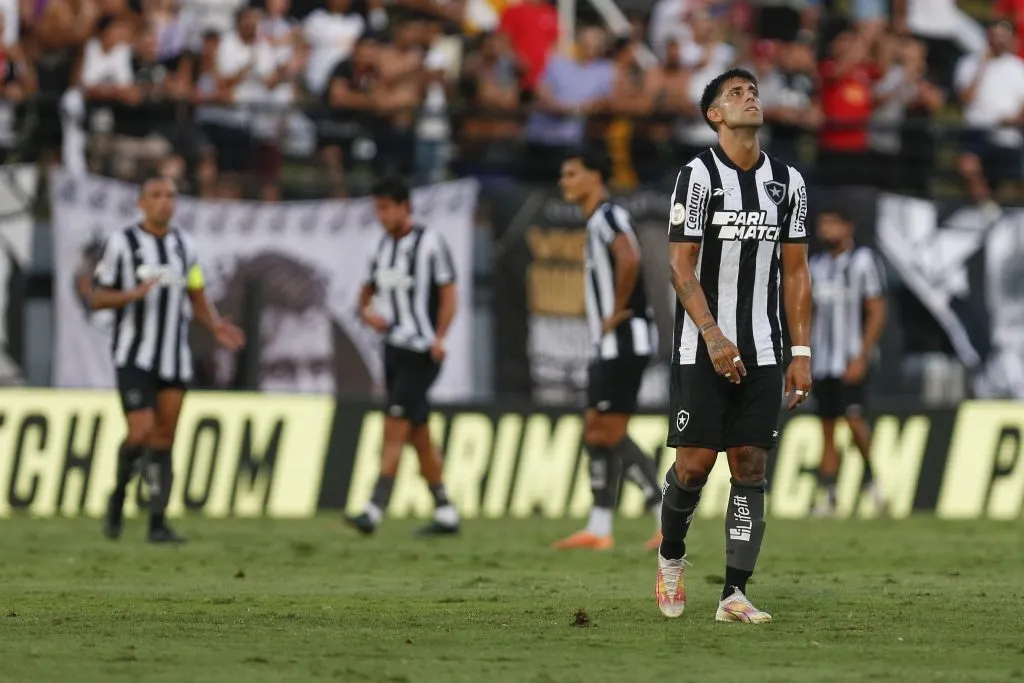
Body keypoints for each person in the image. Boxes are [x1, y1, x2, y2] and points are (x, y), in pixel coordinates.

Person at [656, 68, 813, 623]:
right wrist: (712, 333)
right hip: (703, 345)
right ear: (714, 116)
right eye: (736, 94)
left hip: (767, 347)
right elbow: (680, 265)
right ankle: (670, 555)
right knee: (694, 467)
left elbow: (796, 273)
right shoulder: (696, 177)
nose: (750, 96)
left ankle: (733, 594)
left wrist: (801, 352)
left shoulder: (788, 182)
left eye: (754, 89)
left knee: (749, 465)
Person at [90, 176, 245, 543]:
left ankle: (157, 523)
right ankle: (118, 497)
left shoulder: (184, 245)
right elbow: (97, 297)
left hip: (174, 358)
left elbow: (196, 292)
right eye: (157, 195)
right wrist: (133, 294)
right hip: (134, 355)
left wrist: (215, 325)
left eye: (171, 196)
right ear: (141, 202)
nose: (165, 203)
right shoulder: (121, 243)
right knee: (140, 433)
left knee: (165, 437)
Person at [551, 148, 663, 552]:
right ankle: (599, 528)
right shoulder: (596, 220)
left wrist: (616, 309)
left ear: (595, 177)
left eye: (571, 173)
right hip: (609, 345)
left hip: (624, 341)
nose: (564, 181)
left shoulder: (607, 215)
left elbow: (630, 257)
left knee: (609, 430)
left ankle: (665, 515)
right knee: (595, 429)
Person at [346, 176, 462, 537]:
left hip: (422, 351)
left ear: (405, 207)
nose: (381, 215)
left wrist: (441, 337)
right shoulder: (378, 248)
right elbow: (363, 296)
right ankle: (445, 511)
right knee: (419, 432)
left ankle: (373, 509)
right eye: (377, 209)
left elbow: (448, 295)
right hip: (393, 349)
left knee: (395, 424)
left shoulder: (430, 244)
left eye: (386, 208)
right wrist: (368, 314)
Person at [810, 209, 888, 517]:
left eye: (832, 223)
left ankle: (871, 478)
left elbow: (876, 311)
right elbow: (810, 313)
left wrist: (862, 354)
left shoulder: (863, 262)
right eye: (822, 223)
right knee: (826, 427)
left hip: (850, 358)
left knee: (854, 421)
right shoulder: (815, 265)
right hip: (823, 361)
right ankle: (828, 494)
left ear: (848, 226)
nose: (826, 229)